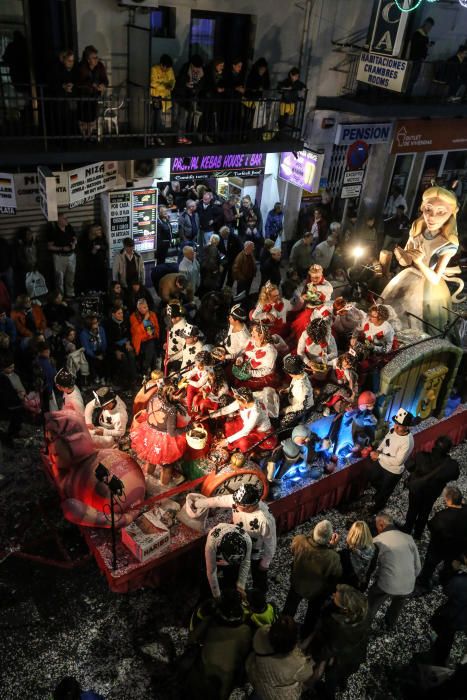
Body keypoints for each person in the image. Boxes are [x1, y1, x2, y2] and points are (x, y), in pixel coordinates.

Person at [381, 186, 460, 334]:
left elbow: (435, 279)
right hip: (408, 276)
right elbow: (406, 262)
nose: (431, 216)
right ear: (422, 208)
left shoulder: (447, 243)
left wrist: (419, 262)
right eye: (428, 209)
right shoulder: (417, 228)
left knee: (416, 322)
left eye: (441, 212)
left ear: (451, 214)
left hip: (428, 288)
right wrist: (401, 255)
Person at [194, 483, 276, 592]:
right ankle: (235, 591)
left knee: (259, 574)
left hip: (255, 552)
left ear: (251, 505)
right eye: (235, 502)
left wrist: (265, 562)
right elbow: (217, 500)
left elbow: (270, 542)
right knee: (236, 571)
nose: (235, 505)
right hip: (237, 544)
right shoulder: (237, 500)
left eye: (239, 505)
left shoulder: (265, 519)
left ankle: (260, 596)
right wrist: (197, 503)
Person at [186, 589, 253, 700]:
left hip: (205, 666)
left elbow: (191, 639)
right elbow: (244, 654)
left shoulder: (211, 621)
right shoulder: (245, 631)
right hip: (226, 674)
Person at [283, 519, 342, 637]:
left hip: (297, 584)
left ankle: (283, 629)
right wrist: (332, 548)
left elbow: (293, 551)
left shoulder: (299, 540)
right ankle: (305, 635)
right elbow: (336, 574)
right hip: (317, 592)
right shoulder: (332, 557)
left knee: (289, 609)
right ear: (329, 538)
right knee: (312, 615)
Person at [309, 584, 370, 697]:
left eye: (336, 598)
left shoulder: (339, 626)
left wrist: (316, 657)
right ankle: (343, 684)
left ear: (345, 609)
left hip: (340, 661)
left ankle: (327, 694)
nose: (333, 595)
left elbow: (330, 649)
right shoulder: (362, 612)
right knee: (345, 675)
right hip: (356, 656)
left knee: (331, 681)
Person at [367, 512, 421, 630]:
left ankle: (365, 623)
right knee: (397, 605)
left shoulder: (377, 541)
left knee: (372, 601)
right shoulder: (408, 538)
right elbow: (417, 566)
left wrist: (376, 576)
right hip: (409, 584)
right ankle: (389, 624)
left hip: (388, 583)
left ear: (381, 524)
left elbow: (373, 565)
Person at [130, 381, 187, 484]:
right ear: (171, 395)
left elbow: (148, 413)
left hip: (149, 434)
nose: (180, 398)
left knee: (151, 460)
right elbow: (172, 433)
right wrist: (187, 428)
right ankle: (163, 487)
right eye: (178, 397)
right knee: (167, 467)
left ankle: (147, 480)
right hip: (164, 441)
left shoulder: (154, 398)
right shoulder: (171, 409)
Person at [404, 435, 460, 540]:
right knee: (424, 513)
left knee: (412, 510)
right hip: (432, 494)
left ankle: (407, 529)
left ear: (434, 445)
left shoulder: (421, 456)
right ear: (448, 449)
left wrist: (418, 472)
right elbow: (455, 476)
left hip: (417, 490)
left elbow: (409, 465)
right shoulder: (451, 465)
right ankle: (418, 534)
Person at [246, 615, 314, 700]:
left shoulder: (261, 633)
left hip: (259, 678)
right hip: (278, 695)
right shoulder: (297, 663)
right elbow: (308, 674)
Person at [416, 486, 467, 591]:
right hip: (458, 548)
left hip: (438, 548)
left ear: (448, 500)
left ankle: (422, 584)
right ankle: (445, 581)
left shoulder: (441, 517)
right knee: (449, 566)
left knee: (429, 566)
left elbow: (431, 527)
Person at [368, 408, 415, 514]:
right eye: (395, 424)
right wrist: (378, 450)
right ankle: (378, 493)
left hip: (392, 471)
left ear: (406, 427)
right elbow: (386, 440)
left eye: (399, 425)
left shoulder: (407, 442)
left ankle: (378, 507)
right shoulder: (393, 430)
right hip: (380, 463)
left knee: (385, 492)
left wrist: (379, 456)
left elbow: (398, 461)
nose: (396, 427)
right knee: (373, 479)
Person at [427, 551, 467, 665]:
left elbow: (447, 590)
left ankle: (436, 662)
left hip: (453, 616)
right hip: (462, 619)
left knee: (445, 637)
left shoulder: (460, 581)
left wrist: (453, 571)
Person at [212, 386, 277, 452]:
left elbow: (245, 431)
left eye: (238, 400)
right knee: (228, 425)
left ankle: (250, 452)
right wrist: (211, 415)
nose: (237, 402)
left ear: (244, 401)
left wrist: (227, 441)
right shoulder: (250, 399)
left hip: (259, 431)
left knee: (243, 443)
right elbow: (229, 409)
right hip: (248, 424)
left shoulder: (255, 412)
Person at [204, 524, 252, 600]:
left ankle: (229, 593)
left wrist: (240, 585)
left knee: (232, 577)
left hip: (231, 559)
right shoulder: (212, 544)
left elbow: (245, 562)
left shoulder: (247, 540)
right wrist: (216, 595)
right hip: (218, 556)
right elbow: (211, 571)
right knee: (207, 583)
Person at [76, 45, 108, 138]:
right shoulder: (81, 67)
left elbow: (105, 79)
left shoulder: (100, 66)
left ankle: (89, 136)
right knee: (83, 117)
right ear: (88, 59)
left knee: (92, 117)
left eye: (97, 57)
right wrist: (91, 84)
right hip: (83, 96)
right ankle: (83, 136)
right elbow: (79, 81)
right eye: (94, 58)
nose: (96, 59)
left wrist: (103, 85)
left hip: (94, 96)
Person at [103, 303, 137, 389]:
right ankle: (123, 382)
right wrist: (116, 351)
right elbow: (108, 341)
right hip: (114, 348)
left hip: (125, 344)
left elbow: (128, 334)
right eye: (119, 313)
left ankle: (133, 380)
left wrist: (128, 343)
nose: (121, 315)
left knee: (131, 355)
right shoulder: (108, 324)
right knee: (123, 358)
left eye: (121, 313)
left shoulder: (125, 321)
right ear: (113, 314)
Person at [339, 521, 377, 591]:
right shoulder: (375, 550)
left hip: (346, 588)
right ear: (367, 534)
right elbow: (372, 568)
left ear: (352, 534)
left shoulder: (345, 554)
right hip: (362, 586)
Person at [47, 214, 77, 299]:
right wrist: (62, 248)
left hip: (71, 256)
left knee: (71, 277)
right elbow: (49, 246)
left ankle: (70, 294)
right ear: (58, 220)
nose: (67, 220)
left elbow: (74, 237)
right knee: (59, 279)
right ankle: (60, 297)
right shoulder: (53, 230)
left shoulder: (69, 227)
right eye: (64, 218)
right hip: (59, 257)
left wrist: (74, 243)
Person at [280, 354, 314, 427]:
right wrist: (287, 390)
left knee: (284, 423)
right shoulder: (300, 375)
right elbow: (293, 385)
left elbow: (301, 406)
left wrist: (286, 410)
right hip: (294, 399)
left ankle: (296, 425)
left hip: (302, 408)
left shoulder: (302, 388)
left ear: (291, 373)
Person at [0, 354, 26, 447]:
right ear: (3, 368)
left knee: (18, 418)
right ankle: (10, 437)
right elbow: (6, 394)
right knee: (16, 417)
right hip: (10, 403)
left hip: (16, 401)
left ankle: (15, 432)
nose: (12, 369)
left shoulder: (13, 375)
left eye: (13, 367)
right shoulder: (3, 378)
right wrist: (17, 395)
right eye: (10, 367)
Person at [150, 54, 175, 146]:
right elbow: (152, 83)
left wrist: (171, 86)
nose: (167, 70)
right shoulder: (154, 69)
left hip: (165, 99)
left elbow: (172, 80)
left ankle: (158, 137)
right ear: (161, 65)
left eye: (168, 68)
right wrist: (164, 85)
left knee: (161, 120)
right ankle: (153, 137)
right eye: (166, 68)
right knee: (155, 119)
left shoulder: (170, 69)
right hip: (157, 98)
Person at [129, 299, 160, 374]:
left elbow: (156, 328)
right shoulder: (133, 317)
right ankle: (148, 369)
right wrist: (145, 320)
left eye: (146, 307)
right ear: (138, 308)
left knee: (151, 346)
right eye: (143, 308)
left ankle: (146, 370)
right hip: (140, 341)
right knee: (151, 348)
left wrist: (152, 332)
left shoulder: (152, 314)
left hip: (151, 339)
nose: (146, 309)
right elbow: (137, 331)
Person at [406, 17, 435, 95]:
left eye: (430, 27)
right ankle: (407, 94)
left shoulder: (423, 35)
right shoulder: (418, 33)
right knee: (412, 77)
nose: (429, 28)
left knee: (413, 78)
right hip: (415, 59)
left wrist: (426, 47)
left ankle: (408, 93)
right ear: (425, 24)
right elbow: (416, 45)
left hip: (418, 59)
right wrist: (426, 45)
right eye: (429, 26)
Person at [76, 223, 108, 294]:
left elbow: (106, 246)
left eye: (100, 229)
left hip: (101, 262)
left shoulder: (102, 237)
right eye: (98, 230)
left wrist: (100, 247)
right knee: (92, 277)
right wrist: (92, 251)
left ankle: (101, 291)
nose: (100, 231)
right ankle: (91, 291)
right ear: (93, 231)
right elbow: (83, 249)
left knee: (101, 277)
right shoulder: (86, 238)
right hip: (90, 263)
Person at [165, 303, 193, 374]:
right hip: (168, 356)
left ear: (177, 317)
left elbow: (186, 349)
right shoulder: (172, 323)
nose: (168, 320)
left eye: (170, 318)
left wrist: (172, 359)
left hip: (178, 360)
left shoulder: (183, 329)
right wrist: (167, 344)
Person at [278, 67, 306, 137]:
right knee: (282, 117)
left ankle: (282, 132)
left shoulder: (297, 83)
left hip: (291, 102)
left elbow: (303, 86)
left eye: (297, 76)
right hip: (285, 102)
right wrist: (286, 88)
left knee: (287, 117)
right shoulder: (287, 81)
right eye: (295, 76)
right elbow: (279, 87)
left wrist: (303, 89)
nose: (296, 77)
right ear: (291, 75)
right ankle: (279, 131)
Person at [80, 315, 107, 384]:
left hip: (101, 350)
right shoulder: (84, 334)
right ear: (89, 324)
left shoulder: (101, 329)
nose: (97, 324)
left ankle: (104, 377)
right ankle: (96, 377)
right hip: (91, 352)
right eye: (94, 323)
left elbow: (104, 342)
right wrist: (95, 356)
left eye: (97, 322)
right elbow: (87, 348)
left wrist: (103, 353)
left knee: (106, 357)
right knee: (94, 360)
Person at [13, 227, 38, 294]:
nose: (30, 235)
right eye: (27, 234)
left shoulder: (33, 243)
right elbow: (19, 258)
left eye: (30, 233)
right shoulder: (20, 246)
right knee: (25, 286)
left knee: (34, 284)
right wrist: (27, 266)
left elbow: (37, 254)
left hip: (34, 268)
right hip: (25, 270)